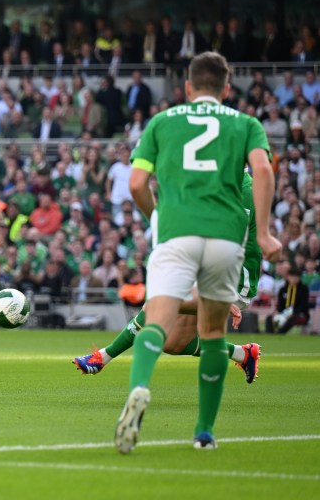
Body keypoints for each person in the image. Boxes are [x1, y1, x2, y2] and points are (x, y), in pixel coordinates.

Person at [114, 52, 281, 454]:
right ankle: (204, 432)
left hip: (177, 233)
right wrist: (264, 231)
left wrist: (157, 220)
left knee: (157, 317)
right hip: (225, 239)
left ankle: (138, 389)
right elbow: (262, 171)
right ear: (226, 89)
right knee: (211, 334)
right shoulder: (245, 124)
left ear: (187, 88)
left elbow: (137, 183)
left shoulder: (162, 122)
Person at [74, 174, 263, 384]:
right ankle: (244, 355)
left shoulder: (243, 189)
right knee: (175, 344)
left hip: (233, 281)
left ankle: (102, 358)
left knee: (158, 302)